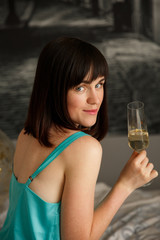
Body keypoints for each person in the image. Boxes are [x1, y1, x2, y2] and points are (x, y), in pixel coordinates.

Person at [0, 37, 158, 240]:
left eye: (99, 84)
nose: (95, 99)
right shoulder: (84, 148)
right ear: (53, 90)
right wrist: (126, 185)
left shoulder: (26, 134)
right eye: (80, 88)